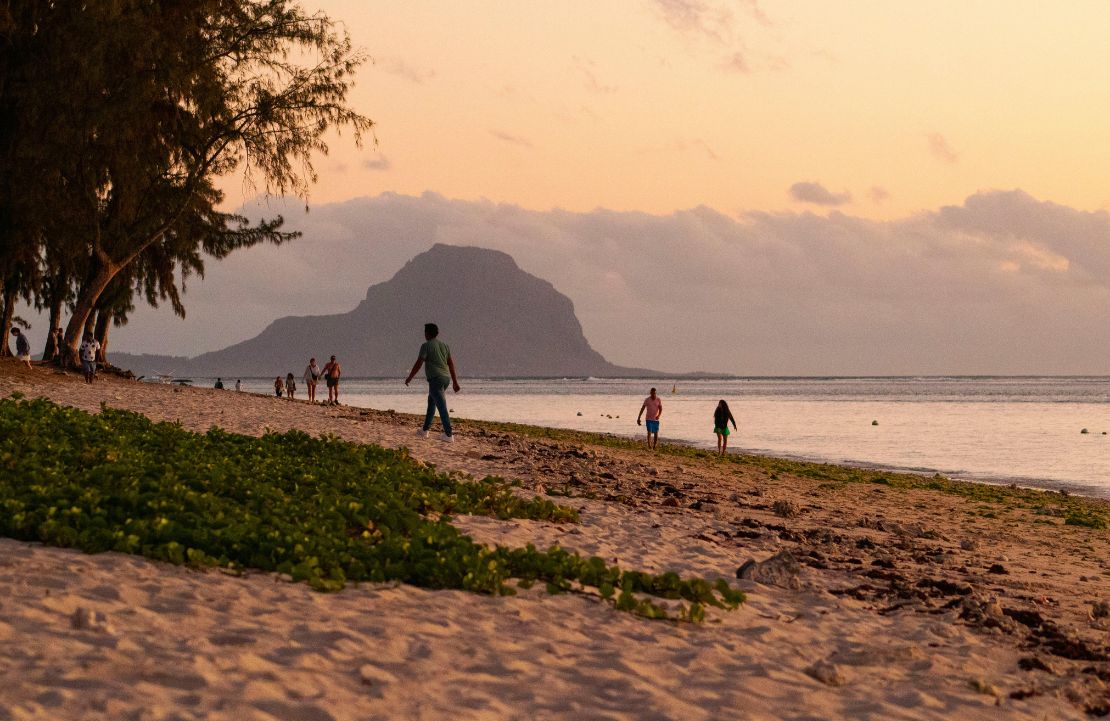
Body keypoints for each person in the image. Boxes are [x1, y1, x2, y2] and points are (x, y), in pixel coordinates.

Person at [405, 323, 460, 442]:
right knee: (431, 402)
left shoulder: (426, 346)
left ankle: (449, 434)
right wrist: (455, 382)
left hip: (436, 379)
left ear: (427, 333)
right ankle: (424, 430)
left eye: (425, 332)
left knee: (441, 406)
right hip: (445, 378)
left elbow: (419, 363)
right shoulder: (445, 346)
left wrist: (410, 377)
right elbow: (451, 364)